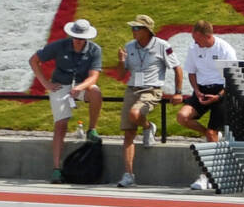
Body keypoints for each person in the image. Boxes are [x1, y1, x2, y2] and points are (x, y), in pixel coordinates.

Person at [31, 19, 103, 175]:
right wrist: (46, 83)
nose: (78, 41)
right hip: (60, 85)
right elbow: (34, 60)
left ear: (87, 38)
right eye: (76, 37)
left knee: (96, 92)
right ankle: (57, 168)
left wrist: (80, 87)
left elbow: (93, 77)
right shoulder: (59, 45)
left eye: (82, 38)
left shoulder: (95, 50)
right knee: (61, 124)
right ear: (71, 36)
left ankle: (92, 129)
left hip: (81, 85)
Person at [114, 15, 172, 188]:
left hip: (151, 89)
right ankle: (129, 174)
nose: (133, 31)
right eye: (133, 27)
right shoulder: (129, 46)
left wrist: (177, 91)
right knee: (128, 133)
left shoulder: (163, 46)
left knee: (135, 113)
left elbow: (176, 68)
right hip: (132, 88)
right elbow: (120, 75)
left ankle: (147, 127)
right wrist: (121, 61)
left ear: (147, 30)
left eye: (137, 28)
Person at [171, 21, 240, 146]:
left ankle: (214, 153)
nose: (195, 42)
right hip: (202, 90)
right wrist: (197, 91)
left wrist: (218, 96)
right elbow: (191, 72)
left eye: (197, 39)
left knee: (211, 132)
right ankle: (209, 133)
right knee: (182, 117)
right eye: (194, 39)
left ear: (208, 36)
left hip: (222, 91)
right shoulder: (193, 48)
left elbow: (233, 79)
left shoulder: (225, 49)